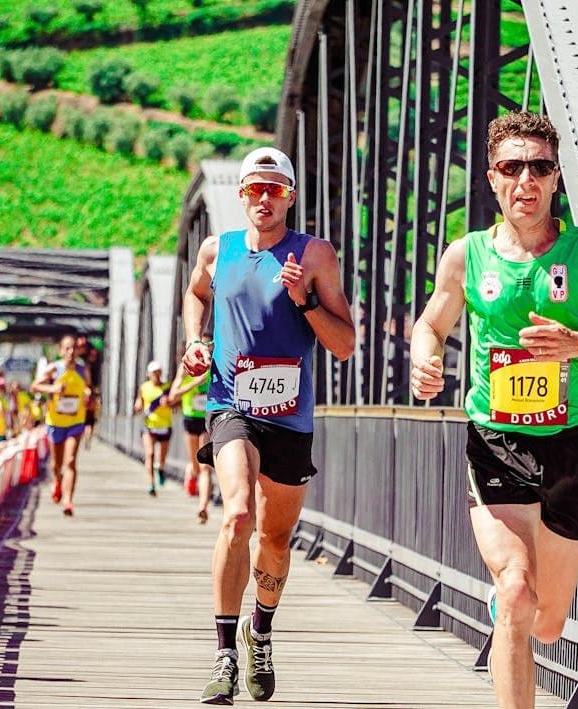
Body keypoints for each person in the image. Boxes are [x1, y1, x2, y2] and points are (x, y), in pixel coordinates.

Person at [408, 112, 578, 709]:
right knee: (518, 595)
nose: (525, 179)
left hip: (571, 445)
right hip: (495, 441)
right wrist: (426, 359)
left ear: (555, 180)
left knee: (547, 621)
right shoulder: (466, 256)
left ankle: (511, 610)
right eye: (511, 167)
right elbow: (431, 324)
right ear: (492, 179)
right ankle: (508, 607)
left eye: (539, 167)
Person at [180, 146, 355, 704]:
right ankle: (224, 653)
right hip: (231, 403)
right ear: (240, 195)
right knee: (237, 515)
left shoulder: (316, 254)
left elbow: (346, 345)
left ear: (291, 196)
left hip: (290, 418)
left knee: (275, 540)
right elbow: (193, 294)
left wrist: (302, 300)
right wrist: (195, 342)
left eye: (275, 189)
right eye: (254, 188)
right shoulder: (218, 250)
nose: (263, 198)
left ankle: (262, 631)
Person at [32, 334, 89, 516]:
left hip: (76, 421)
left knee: (70, 460)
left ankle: (68, 501)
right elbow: (34, 386)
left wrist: (88, 395)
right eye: (67, 348)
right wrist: (52, 389)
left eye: (74, 348)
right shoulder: (54, 369)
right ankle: (57, 480)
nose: (71, 352)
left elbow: (89, 389)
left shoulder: (82, 370)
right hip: (56, 421)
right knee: (56, 464)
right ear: (61, 350)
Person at [169, 366, 212, 522]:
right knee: (195, 466)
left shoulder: (213, 367)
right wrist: (196, 383)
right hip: (190, 420)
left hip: (208, 420)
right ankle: (190, 471)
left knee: (205, 467)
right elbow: (173, 396)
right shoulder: (185, 370)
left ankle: (203, 507)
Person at [133, 360, 172, 496]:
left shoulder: (167, 387)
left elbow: (175, 403)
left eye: (158, 371)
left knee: (161, 457)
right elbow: (139, 402)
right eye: (153, 372)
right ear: (148, 374)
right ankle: (151, 483)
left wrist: (169, 403)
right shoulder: (144, 387)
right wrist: (138, 406)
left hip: (164, 426)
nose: (156, 374)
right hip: (149, 426)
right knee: (149, 454)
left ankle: (160, 469)